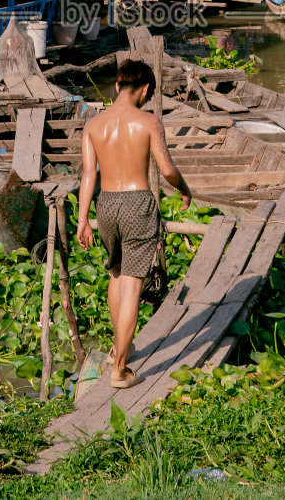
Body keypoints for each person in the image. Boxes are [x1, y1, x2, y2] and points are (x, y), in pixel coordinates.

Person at [75, 57, 193, 390]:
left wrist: (84, 219)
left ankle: (117, 351)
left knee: (116, 274)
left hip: (107, 205)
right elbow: (167, 169)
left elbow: (88, 174)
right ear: (144, 89)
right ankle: (121, 369)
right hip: (138, 202)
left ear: (117, 86)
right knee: (133, 283)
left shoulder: (93, 126)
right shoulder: (149, 122)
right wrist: (184, 189)